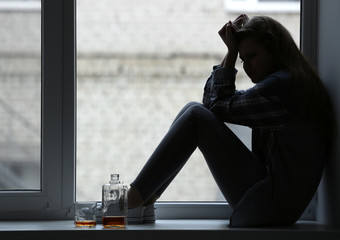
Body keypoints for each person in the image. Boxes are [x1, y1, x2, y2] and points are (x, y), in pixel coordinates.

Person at [126, 14, 336, 227]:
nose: (246, 66)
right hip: (275, 204)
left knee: (196, 115)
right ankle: (144, 200)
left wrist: (232, 52)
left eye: (252, 56)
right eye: (243, 60)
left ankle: (131, 202)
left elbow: (213, 108)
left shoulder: (282, 89)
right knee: (193, 109)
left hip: (268, 206)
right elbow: (211, 104)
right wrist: (231, 53)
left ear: (274, 48)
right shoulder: (287, 83)